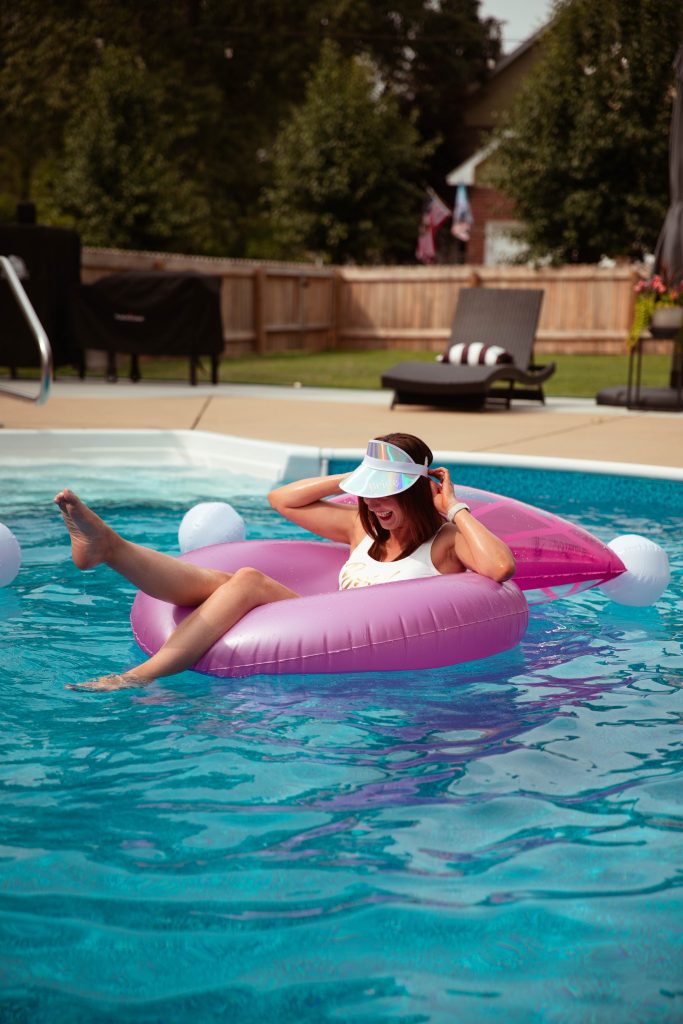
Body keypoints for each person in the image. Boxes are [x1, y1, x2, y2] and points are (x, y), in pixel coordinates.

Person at [55, 432, 515, 691]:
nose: (372, 503)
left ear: (415, 491)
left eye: (383, 491)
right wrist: (355, 476)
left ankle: (138, 676)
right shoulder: (362, 529)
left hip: (359, 638)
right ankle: (110, 549)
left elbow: (499, 568)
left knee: (247, 581)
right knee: (221, 582)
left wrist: (452, 506)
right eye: (368, 491)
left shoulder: (445, 543)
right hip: (317, 622)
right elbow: (283, 500)